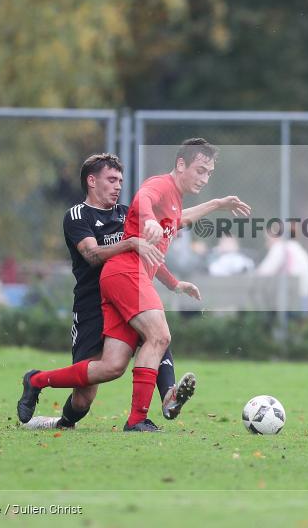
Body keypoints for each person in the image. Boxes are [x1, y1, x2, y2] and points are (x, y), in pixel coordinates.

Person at [17, 140, 251, 432]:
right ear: (181, 165)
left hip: (118, 281)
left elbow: (179, 222)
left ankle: (36, 380)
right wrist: (149, 222)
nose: (204, 178)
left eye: (209, 174)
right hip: (114, 284)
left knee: (113, 366)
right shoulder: (157, 188)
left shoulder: (169, 202)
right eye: (200, 171)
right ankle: (143, 415)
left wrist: (217, 205)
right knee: (158, 335)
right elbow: (143, 198)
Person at [21, 153, 192, 430]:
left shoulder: (126, 214)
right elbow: (91, 254)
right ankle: (47, 398)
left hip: (125, 294)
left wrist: (172, 281)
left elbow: (150, 249)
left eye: (121, 181)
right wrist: (130, 244)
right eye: (111, 179)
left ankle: (168, 398)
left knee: (157, 334)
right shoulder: (77, 215)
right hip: (91, 306)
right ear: (91, 181)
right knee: (84, 398)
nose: (118, 186)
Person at [255, 229, 308, 315]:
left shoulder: (280, 247)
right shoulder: (296, 247)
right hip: (304, 296)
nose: (266, 244)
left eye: (268, 239)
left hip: (291, 299)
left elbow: (264, 272)